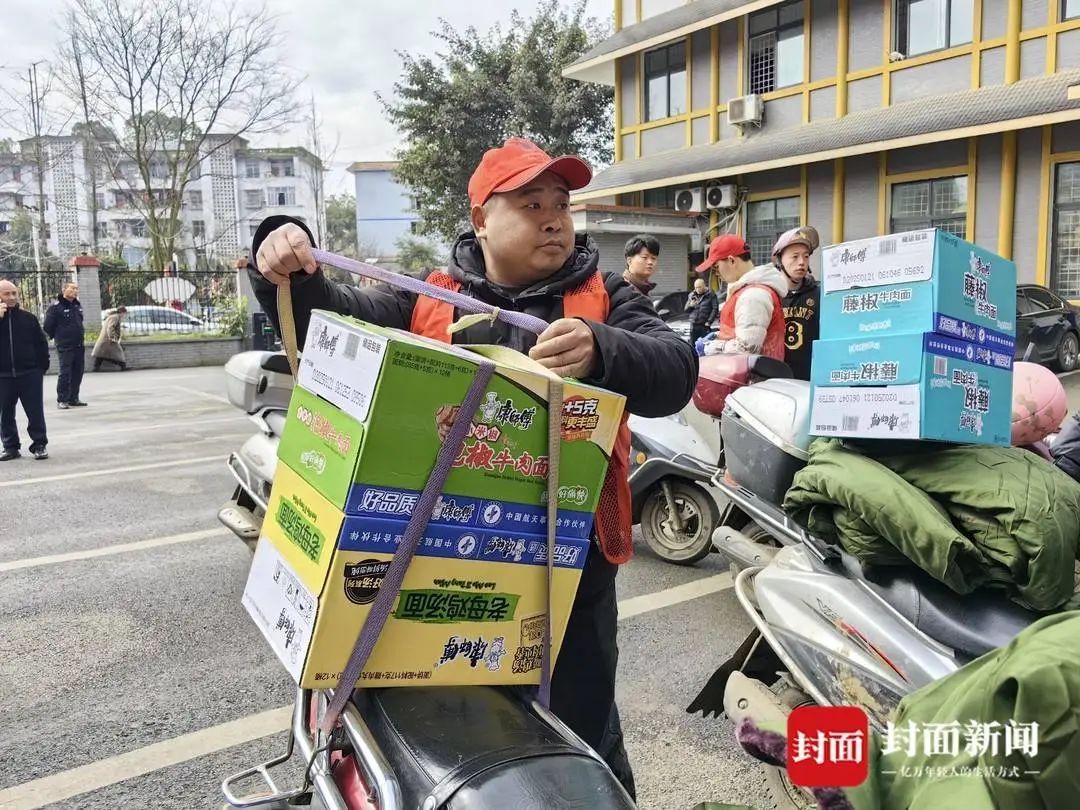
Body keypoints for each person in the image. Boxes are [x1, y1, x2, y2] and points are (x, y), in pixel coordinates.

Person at [250, 137, 698, 799]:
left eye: (562, 204)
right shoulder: (429, 299)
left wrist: (604, 349)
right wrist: (283, 259)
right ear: (482, 220)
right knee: (454, 737)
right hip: (444, 561)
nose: (553, 218)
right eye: (531, 203)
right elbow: (332, 320)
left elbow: (676, 372)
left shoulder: (603, 299)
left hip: (568, 580)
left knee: (583, 733)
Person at [695, 234, 787, 359]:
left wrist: (710, 347)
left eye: (716, 267)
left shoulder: (753, 296)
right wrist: (718, 336)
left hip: (753, 377)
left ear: (732, 260)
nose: (716, 273)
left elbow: (747, 348)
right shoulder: (747, 291)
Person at [0, 279, 50, 460]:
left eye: (14, 293)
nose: (12, 297)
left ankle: (39, 444)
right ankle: (10, 447)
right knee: (5, 413)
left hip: (29, 373)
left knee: (35, 411)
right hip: (3, 375)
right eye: (7, 294)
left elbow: (41, 343)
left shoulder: (28, 318)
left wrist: (41, 367)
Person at [773, 226, 821, 381]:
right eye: (795, 257)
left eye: (806, 257)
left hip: (809, 379)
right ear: (780, 260)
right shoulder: (769, 295)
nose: (801, 262)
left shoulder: (818, 294)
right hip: (775, 380)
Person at [44, 282, 88, 408]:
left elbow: (79, 322)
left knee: (78, 371)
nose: (75, 291)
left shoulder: (77, 305)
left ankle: (73, 397)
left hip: (79, 344)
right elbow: (48, 326)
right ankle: (62, 399)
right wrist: (60, 337)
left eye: (76, 289)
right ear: (64, 290)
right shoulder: (56, 307)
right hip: (65, 345)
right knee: (65, 372)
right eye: (72, 288)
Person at [685, 277, 719, 344]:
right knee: (692, 345)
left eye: (699, 287)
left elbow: (715, 309)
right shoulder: (692, 295)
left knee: (704, 344)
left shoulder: (711, 294)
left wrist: (709, 321)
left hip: (704, 324)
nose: (697, 289)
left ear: (704, 286)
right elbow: (686, 310)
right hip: (693, 324)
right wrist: (690, 305)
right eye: (696, 287)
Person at [93, 307, 128, 371]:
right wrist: (112, 337)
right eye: (125, 313)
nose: (125, 315)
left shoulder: (113, 317)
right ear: (122, 313)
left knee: (102, 354)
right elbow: (110, 328)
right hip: (109, 340)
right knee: (118, 353)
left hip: (106, 340)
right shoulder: (115, 317)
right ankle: (123, 366)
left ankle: (96, 367)